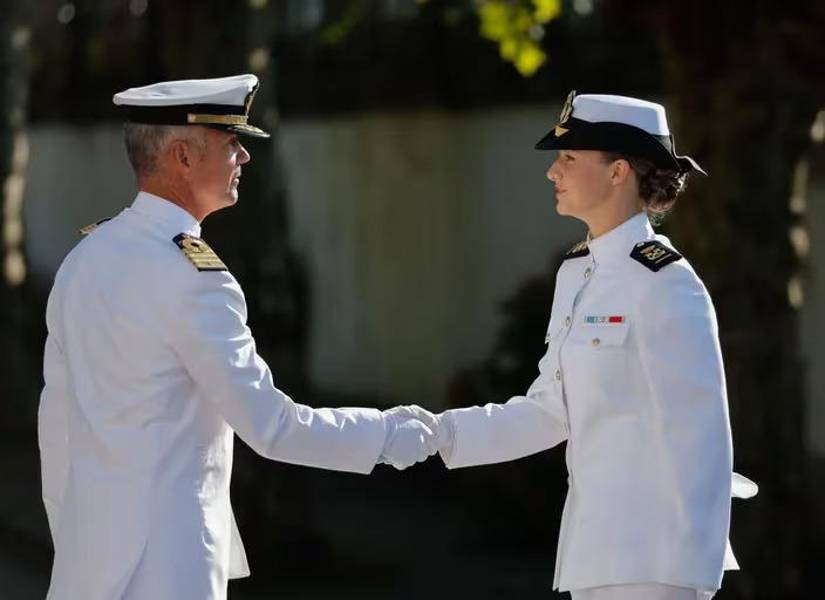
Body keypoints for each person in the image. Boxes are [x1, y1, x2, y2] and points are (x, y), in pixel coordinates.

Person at [37, 74, 437, 600]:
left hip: (86, 566)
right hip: (170, 568)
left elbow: (57, 428)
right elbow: (271, 426)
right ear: (183, 156)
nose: (244, 157)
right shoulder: (193, 277)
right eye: (231, 143)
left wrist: (75, 545)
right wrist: (386, 435)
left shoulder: (84, 259)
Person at [402, 91, 757, 600]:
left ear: (618, 172)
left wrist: (692, 577)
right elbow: (550, 412)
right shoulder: (577, 273)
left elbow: (702, 439)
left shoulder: (666, 281)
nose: (553, 171)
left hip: (657, 565)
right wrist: (436, 435)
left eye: (569, 157)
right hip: (595, 557)